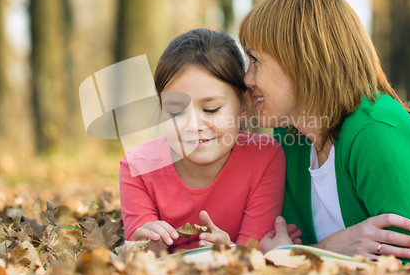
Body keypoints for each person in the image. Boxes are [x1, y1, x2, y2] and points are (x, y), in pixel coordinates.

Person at [238, 0, 410, 262]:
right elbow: (290, 258)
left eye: (255, 60)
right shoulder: (290, 136)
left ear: (301, 61)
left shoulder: (374, 134)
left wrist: (308, 256)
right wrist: (326, 250)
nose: (247, 78)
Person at [119, 28, 300, 255]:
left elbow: (253, 255)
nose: (194, 124)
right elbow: (139, 250)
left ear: (244, 106)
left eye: (211, 109)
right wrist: (146, 248)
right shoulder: (137, 167)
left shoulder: (265, 158)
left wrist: (231, 252)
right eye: (176, 111)